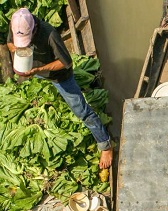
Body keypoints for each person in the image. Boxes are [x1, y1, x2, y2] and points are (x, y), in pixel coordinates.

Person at [7, 8, 113, 169]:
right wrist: (15, 49)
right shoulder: (17, 24)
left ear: (34, 28)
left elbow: (66, 62)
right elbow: (9, 42)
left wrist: (38, 70)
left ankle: (105, 145)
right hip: (35, 70)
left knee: (82, 111)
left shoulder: (49, 34)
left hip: (59, 76)